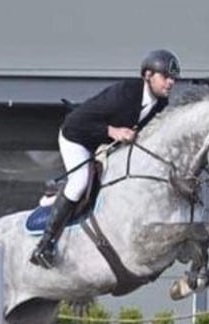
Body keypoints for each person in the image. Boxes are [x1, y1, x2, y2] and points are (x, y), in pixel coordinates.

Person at [29, 49, 181, 269]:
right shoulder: (125, 92)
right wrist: (113, 131)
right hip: (77, 136)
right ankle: (46, 244)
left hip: (102, 145)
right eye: (166, 77)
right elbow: (77, 121)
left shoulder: (160, 105)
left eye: (173, 79)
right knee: (80, 181)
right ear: (148, 75)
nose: (170, 83)